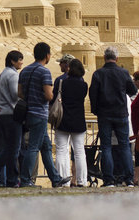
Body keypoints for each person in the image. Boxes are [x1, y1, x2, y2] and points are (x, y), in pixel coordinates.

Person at [18, 42, 68, 187]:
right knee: (33, 147)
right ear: (47, 55)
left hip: (28, 113)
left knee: (45, 147)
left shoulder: (25, 71)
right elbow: (48, 95)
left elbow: (20, 93)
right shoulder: (44, 72)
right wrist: (54, 96)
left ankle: (55, 178)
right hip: (39, 113)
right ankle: (26, 180)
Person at [88, 46, 138, 187]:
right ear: (117, 59)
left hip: (104, 114)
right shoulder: (123, 73)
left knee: (106, 146)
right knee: (124, 146)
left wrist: (96, 111)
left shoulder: (98, 74)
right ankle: (128, 179)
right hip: (121, 114)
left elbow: (93, 94)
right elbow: (133, 90)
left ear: (104, 58)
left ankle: (109, 179)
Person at [0, 50, 24, 188]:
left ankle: (11, 180)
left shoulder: (2, 74)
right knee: (13, 149)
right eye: (20, 59)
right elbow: (15, 95)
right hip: (11, 115)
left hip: (0, 116)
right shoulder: (13, 75)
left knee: (10, 148)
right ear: (13, 61)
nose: (21, 62)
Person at [53, 58, 88, 187]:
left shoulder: (62, 83)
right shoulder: (84, 86)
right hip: (78, 121)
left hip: (63, 121)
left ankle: (63, 181)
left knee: (61, 151)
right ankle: (82, 181)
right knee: (79, 151)